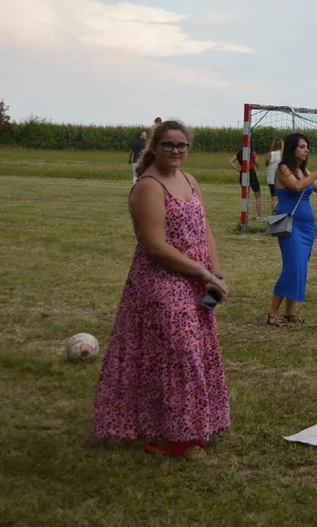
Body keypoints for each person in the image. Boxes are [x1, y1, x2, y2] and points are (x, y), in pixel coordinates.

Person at [95, 120, 230, 458]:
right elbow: (155, 246)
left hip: (198, 280)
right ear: (154, 147)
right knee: (179, 356)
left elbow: (204, 230)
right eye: (168, 145)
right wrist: (202, 273)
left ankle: (196, 426)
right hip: (161, 282)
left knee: (193, 354)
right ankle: (180, 437)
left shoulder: (189, 180)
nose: (175, 151)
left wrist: (217, 273)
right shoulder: (148, 186)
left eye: (181, 145)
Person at [267, 133, 317, 326]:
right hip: (290, 226)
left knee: (301, 268)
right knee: (292, 267)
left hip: (307, 227)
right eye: (302, 147)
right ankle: (273, 313)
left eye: (307, 147)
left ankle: (289, 312)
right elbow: (296, 186)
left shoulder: (305, 172)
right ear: (292, 149)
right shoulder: (283, 169)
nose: (306, 150)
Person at [230, 145, 263, 221]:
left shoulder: (239, 152)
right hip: (251, 173)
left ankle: (246, 215)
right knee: (258, 195)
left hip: (243, 173)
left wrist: (238, 169)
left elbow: (230, 161)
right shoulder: (252, 152)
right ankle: (259, 215)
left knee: (246, 195)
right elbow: (257, 164)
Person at [265, 138, 284, 212]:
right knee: (281, 198)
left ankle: (274, 214)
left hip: (271, 179)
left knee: (274, 198)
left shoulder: (270, 154)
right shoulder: (283, 154)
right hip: (281, 180)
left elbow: (266, 164)